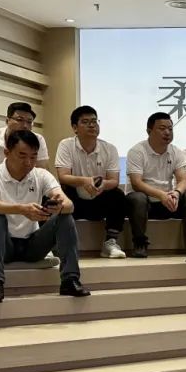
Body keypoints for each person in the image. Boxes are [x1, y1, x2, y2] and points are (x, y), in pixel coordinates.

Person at [0, 129, 90, 303]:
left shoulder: (41, 175)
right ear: (7, 152)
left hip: (30, 244)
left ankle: (70, 280)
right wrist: (21, 209)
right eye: (22, 156)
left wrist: (58, 207)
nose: (28, 162)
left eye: (33, 157)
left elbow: (69, 205)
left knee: (65, 217)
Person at [54, 105, 131, 259]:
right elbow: (63, 176)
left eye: (94, 121)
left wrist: (102, 185)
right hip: (74, 199)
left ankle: (110, 243)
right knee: (56, 195)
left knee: (118, 195)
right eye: (85, 122)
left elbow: (114, 180)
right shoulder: (66, 145)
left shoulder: (109, 148)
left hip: (99, 198)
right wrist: (85, 181)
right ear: (75, 128)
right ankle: (57, 244)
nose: (92, 125)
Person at [126, 112, 186, 258]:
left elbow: (183, 180)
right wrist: (161, 195)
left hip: (168, 201)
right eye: (162, 128)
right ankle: (140, 243)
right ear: (149, 131)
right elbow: (136, 183)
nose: (167, 132)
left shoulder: (176, 152)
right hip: (146, 202)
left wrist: (176, 193)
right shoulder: (137, 151)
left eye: (170, 128)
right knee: (138, 198)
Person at [0, 102, 49, 241]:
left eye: (29, 122)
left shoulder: (37, 139)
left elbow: (42, 170)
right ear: (7, 120)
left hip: (26, 183)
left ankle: (40, 241)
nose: (25, 125)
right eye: (19, 120)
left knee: (46, 195)